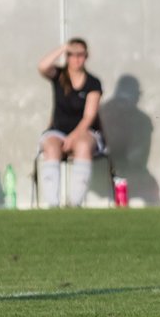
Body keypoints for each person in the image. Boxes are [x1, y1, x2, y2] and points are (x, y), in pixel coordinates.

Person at [36, 38, 105, 208]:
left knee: (82, 145)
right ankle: (53, 204)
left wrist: (73, 137)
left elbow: (89, 116)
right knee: (51, 146)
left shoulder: (93, 82)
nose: (76, 59)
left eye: (80, 55)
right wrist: (63, 47)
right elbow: (42, 66)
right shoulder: (59, 76)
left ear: (86, 56)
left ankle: (75, 204)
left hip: (85, 132)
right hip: (58, 131)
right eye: (72, 55)